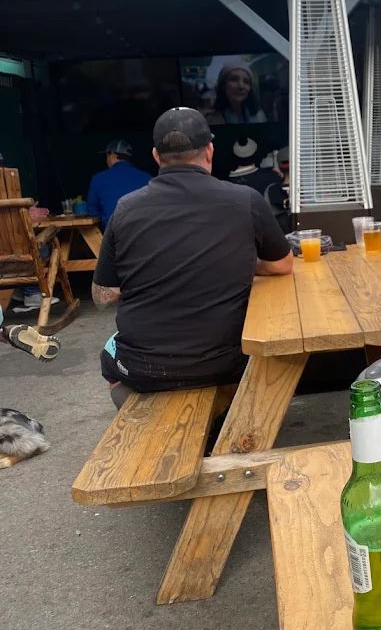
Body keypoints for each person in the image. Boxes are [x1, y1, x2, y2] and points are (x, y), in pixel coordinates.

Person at [92, 107, 293, 407]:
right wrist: (235, 262)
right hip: (227, 362)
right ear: (209, 151)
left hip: (143, 367)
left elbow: (101, 296)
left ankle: (140, 412)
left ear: (156, 156)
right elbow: (283, 264)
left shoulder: (125, 208)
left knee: (109, 356)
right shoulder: (245, 200)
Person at [86, 139, 151, 229]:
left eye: (106, 156)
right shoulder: (147, 178)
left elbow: (92, 211)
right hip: (143, 231)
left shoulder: (98, 179)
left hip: (114, 232)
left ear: (112, 155)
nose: (106, 160)